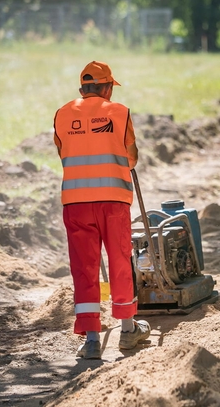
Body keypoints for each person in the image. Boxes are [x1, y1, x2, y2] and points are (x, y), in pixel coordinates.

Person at [53, 60, 150, 359]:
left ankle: (92, 339)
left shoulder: (62, 114)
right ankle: (128, 330)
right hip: (113, 202)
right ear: (107, 87)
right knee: (120, 260)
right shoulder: (119, 113)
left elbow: (63, 153)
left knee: (84, 268)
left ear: (83, 88)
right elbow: (130, 157)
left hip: (76, 204)